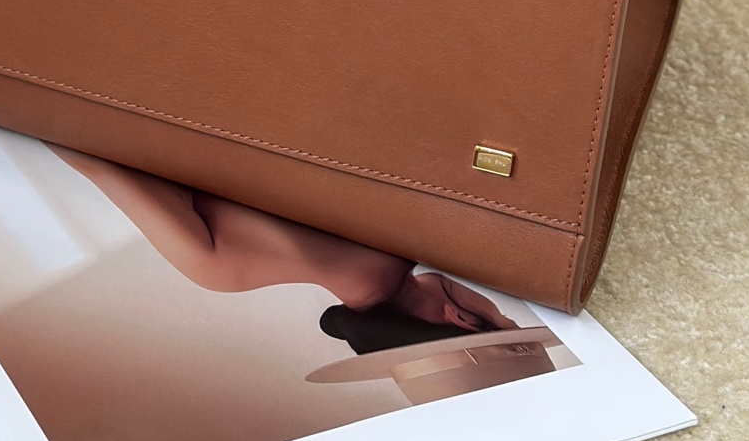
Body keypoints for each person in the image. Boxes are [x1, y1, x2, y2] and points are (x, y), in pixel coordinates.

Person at [52, 147, 514, 354]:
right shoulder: (219, 271)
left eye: (502, 314)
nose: (497, 303)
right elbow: (96, 160)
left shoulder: (412, 234)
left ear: (460, 317)